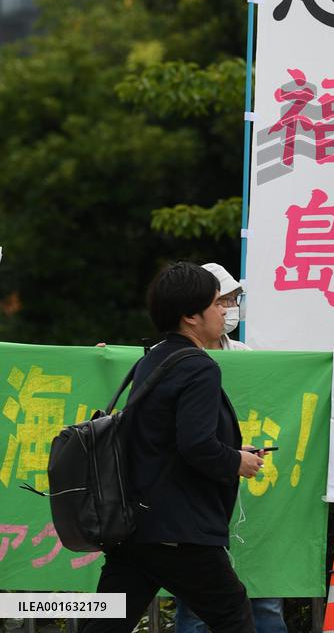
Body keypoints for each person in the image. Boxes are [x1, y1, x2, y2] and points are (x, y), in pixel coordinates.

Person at [80, 261, 265, 633]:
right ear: (190, 316)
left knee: (102, 625)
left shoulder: (153, 359)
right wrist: (237, 461)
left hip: (135, 526)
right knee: (233, 615)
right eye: (216, 303)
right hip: (179, 530)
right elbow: (196, 445)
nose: (224, 311)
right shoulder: (199, 366)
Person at [175, 262, 288, 633]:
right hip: (195, 499)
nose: (228, 308)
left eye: (233, 299)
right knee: (198, 605)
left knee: (264, 595)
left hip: (248, 496)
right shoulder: (170, 357)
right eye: (222, 300)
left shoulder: (243, 353)